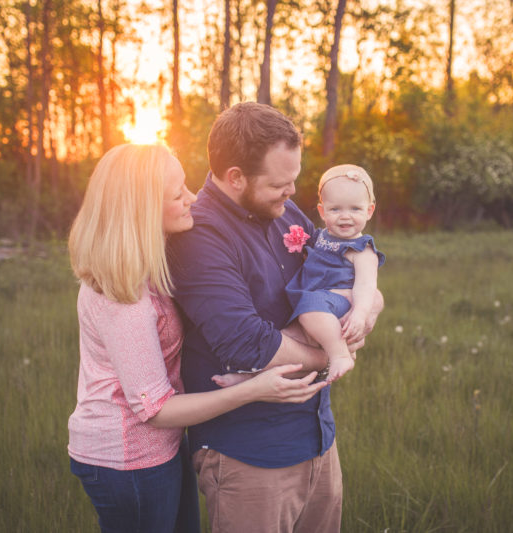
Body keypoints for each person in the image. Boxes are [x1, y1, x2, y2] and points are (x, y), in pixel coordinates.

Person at [66, 143, 328, 533]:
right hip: (126, 458)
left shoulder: (149, 266)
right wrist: (254, 388)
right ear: (142, 209)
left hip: (163, 449)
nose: (192, 198)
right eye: (177, 194)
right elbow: (155, 411)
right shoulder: (121, 296)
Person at [167, 103, 383, 533]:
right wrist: (328, 354)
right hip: (250, 455)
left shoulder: (286, 214)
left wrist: (365, 304)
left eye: (295, 180)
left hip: (317, 436)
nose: (292, 193)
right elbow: (247, 343)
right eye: (280, 185)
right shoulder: (200, 238)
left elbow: (342, 267)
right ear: (235, 177)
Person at [284, 164, 385, 382]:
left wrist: (359, 313)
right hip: (318, 300)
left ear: (369, 210)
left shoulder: (361, 249)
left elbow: (366, 285)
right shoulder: (322, 237)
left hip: (336, 301)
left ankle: (339, 355)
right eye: (336, 209)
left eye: (355, 209)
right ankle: (246, 377)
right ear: (322, 211)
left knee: (309, 310)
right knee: (284, 338)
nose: (345, 217)